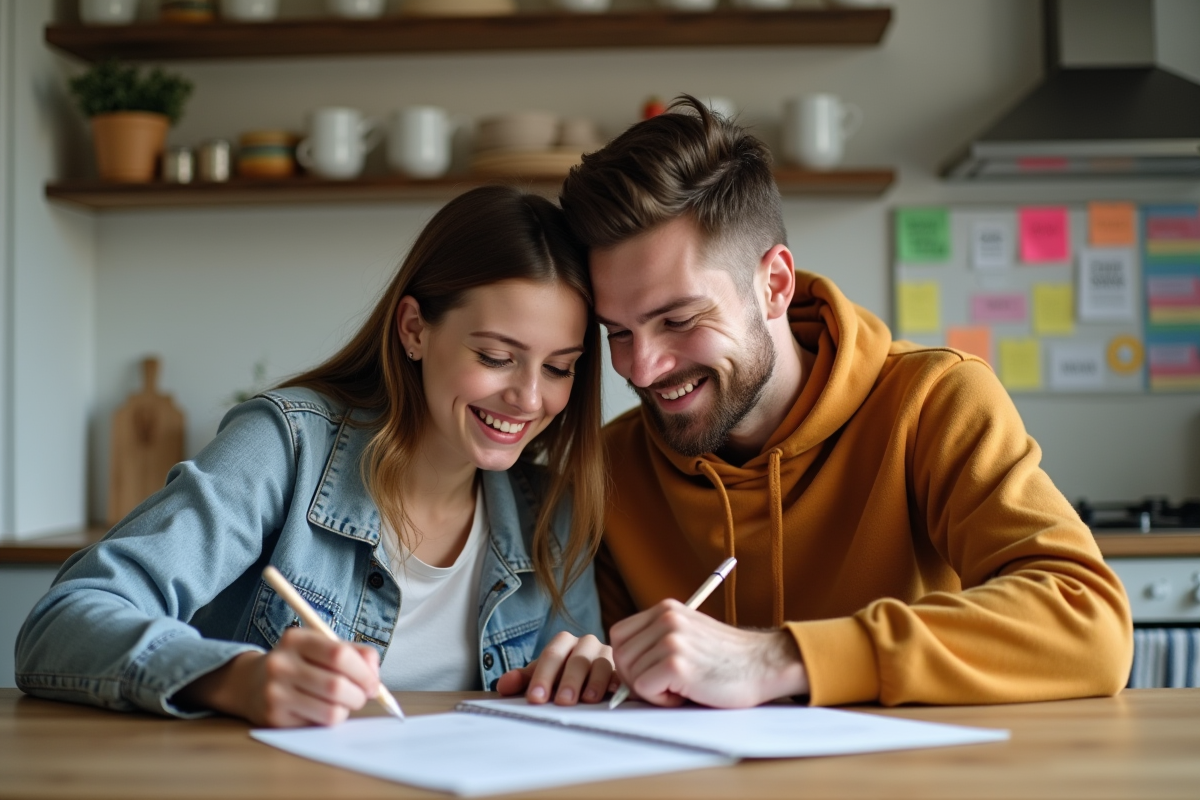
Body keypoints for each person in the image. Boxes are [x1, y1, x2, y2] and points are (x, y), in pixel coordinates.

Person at [529, 96, 1131, 709]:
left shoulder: (933, 402)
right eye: (619, 333)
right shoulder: (610, 467)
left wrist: (775, 657)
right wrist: (598, 662)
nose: (642, 367)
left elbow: (1089, 622)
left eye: (679, 319)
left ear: (775, 286)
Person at [16, 186, 616, 727]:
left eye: (560, 367)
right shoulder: (285, 447)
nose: (530, 398)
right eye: (495, 357)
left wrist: (588, 675)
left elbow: (568, 716)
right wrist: (237, 679)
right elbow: (62, 622)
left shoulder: (553, 514)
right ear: (414, 329)